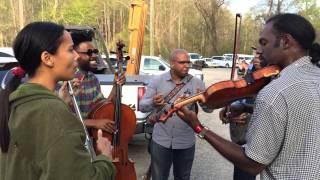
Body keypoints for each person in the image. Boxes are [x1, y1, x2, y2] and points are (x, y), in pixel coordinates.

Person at [176, 13, 320, 179]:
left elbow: (252, 163)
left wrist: (199, 127)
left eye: (264, 43)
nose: (260, 50)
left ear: (286, 42)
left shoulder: (275, 92)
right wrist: (246, 107)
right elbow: (298, 114)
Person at [0, 22, 115, 180]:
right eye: (70, 50)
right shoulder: (54, 114)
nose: (76, 56)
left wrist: (58, 100)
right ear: (47, 58)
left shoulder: (17, 100)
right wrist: (105, 159)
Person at [139, 49, 212, 180]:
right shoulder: (157, 81)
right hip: (160, 141)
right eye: (182, 62)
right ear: (172, 64)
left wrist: (205, 101)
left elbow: (209, 109)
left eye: (188, 62)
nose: (187, 65)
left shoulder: (197, 83)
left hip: (185, 142)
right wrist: (153, 102)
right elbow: (142, 106)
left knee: (183, 177)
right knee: (159, 177)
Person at [58, 31, 125, 134]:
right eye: (89, 52)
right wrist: (93, 123)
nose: (94, 55)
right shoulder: (62, 80)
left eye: (95, 51)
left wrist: (116, 85)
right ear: (74, 53)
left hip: (88, 140)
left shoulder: (92, 78)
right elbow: (60, 119)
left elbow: (103, 106)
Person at [219, 51, 265, 180]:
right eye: (256, 52)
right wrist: (228, 109)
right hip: (244, 142)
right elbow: (243, 93)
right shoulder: (252, 68)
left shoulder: (280, 76)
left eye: (262, 53)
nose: (257, 55)